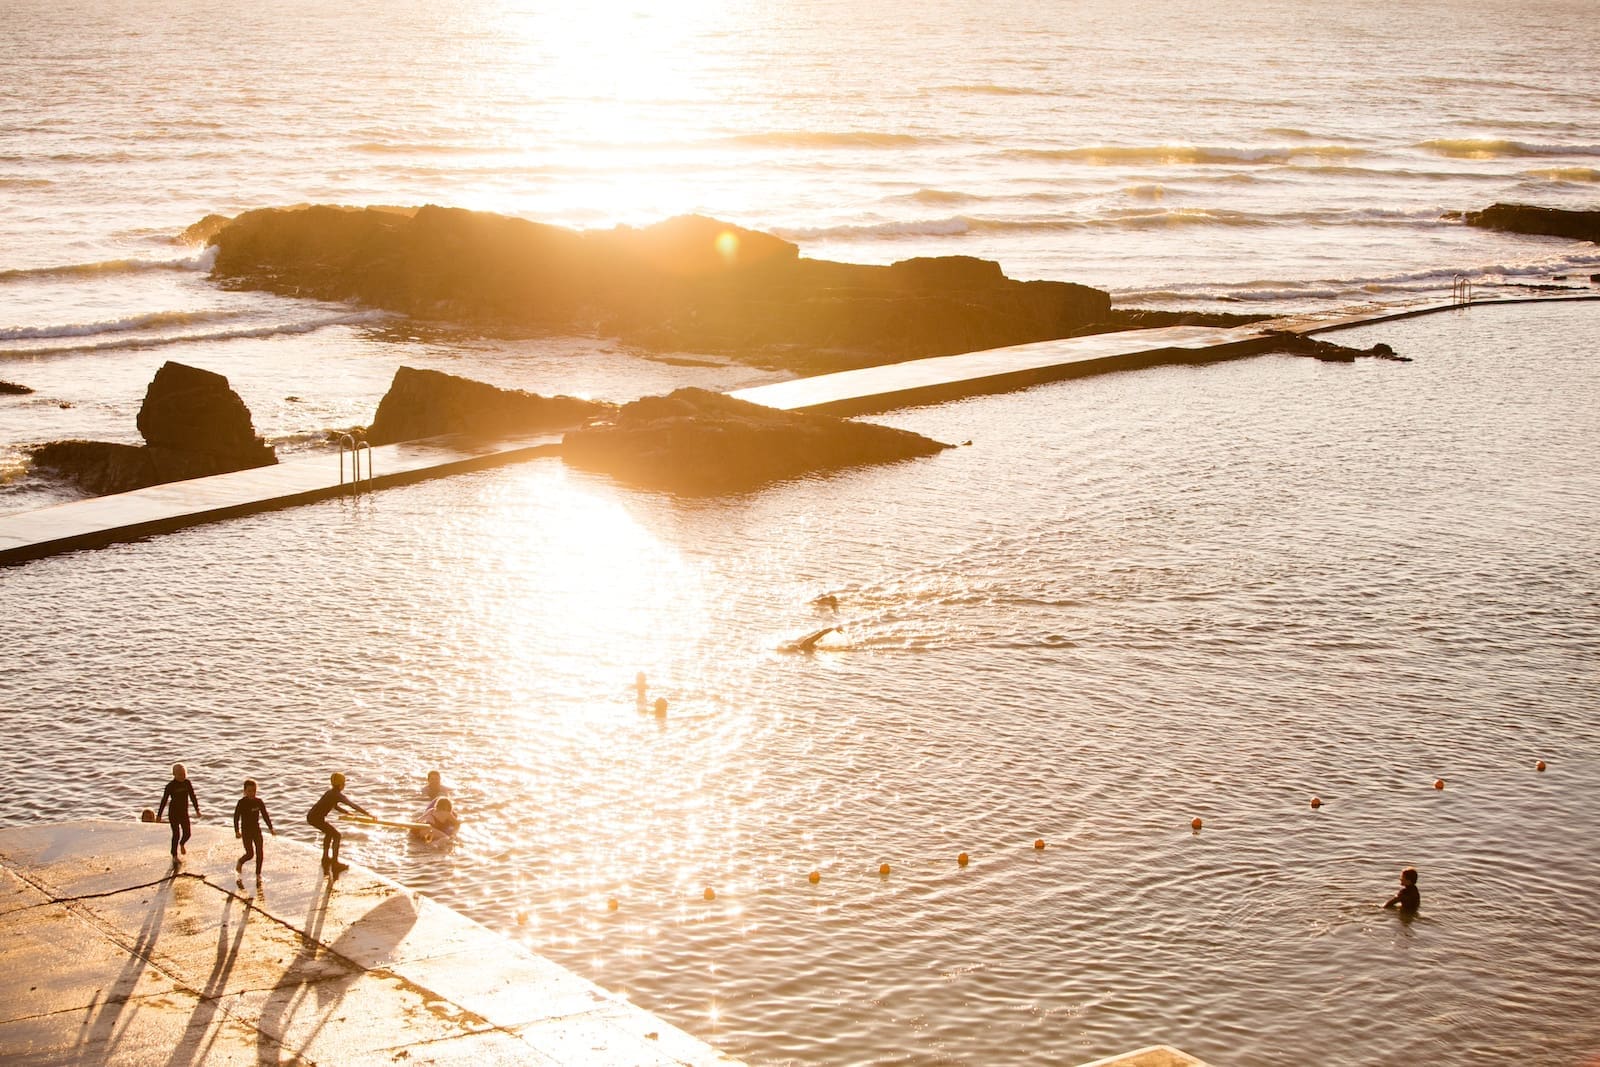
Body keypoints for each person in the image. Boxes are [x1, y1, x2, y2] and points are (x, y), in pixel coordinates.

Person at [306, 772, 372, 875]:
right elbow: (352, 805)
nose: (344, 785)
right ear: (341, 785)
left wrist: (345, 812)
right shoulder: (337, 795)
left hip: (312, 817)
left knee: (329, 833)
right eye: (344, 783)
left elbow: (334, 806)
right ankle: (335, 864)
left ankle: (325, 858)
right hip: (316, 819)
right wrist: (367, 814)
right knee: (337, 835)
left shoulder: (330, 792)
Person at [232, 779, 276, 883]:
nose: (252, 793)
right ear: (245, 791)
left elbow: (265, 815)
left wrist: (271, 828)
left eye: (254, 791)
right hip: (246, 831)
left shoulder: (259, 802)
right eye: (249, 791)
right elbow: (236, 817)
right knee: (250, 854)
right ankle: (240, 861)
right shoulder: (242, 803)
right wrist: (237, 831)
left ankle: (258, 874)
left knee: (260, 852)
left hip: (256, 830)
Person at [156, 763, 202, 859]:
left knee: (187, 833)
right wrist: (159, 815)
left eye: (184, 774)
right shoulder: (170, 786)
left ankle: (182, 844)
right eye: (180, 774)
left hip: (184, 812)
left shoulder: (187, 783)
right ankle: (174, 855)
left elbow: (193, 796)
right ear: (174, 774)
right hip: (173, 813)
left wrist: (197, 809)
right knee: (176, 834)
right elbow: (164, 800)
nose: (182, 776)